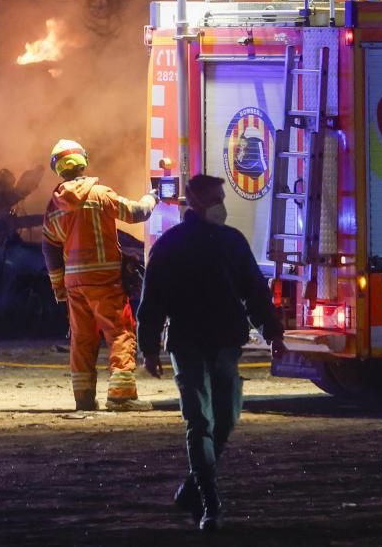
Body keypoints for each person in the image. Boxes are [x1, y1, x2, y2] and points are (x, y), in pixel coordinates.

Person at [137, 174, 286, 532]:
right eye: (217, 198)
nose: (223, 204)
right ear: (198, 202)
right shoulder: (175, 245)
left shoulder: (228, 242)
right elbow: (152, 300)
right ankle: (210, 502)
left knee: (225, 418)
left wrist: (272, 332)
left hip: (222, 343)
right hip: (191, 343)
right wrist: (149, 347)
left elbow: (254, 291)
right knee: (201, 422)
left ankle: (194, 485)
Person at [40, 138, 155, 412]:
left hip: (74, 283)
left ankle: (83, 398)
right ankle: (121, 395)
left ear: (58, 168)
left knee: (82, 338)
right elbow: (136, 213)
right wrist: (153, 196)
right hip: (105, 279)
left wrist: (58, 285)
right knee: (120, 331)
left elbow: (49, 247)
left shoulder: (54, 206)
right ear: (83, 161)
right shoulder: (100, 195)